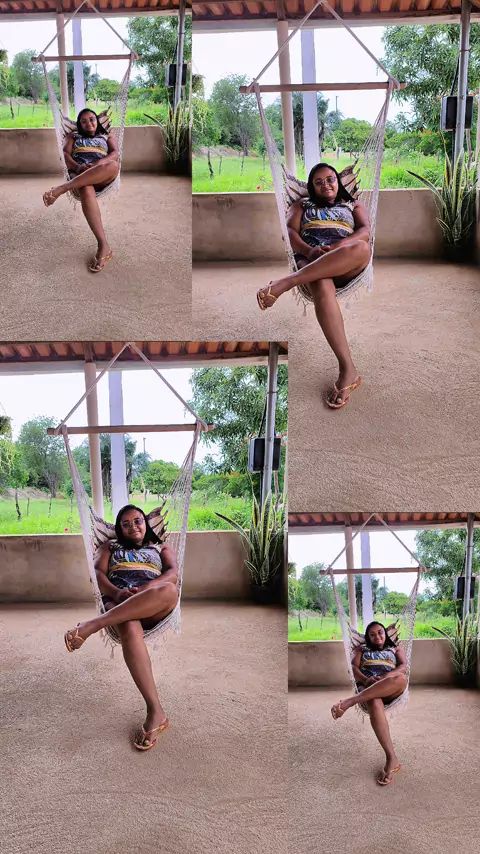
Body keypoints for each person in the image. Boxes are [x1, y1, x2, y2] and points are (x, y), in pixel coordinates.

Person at [64, 504, 179, 751]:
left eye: (137, 521)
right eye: (125, 524)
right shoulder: (109, 546)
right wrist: (117, 593)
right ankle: (156, 712)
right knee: (128, 625)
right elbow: (97, 574)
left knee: (170, 590)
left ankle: (92, 626)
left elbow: (172, 574)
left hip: (153, 602)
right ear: (119, 529)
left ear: (146, 523)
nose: (133, 527)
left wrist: (146, 589)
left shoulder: (160, 547)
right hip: (118, 602)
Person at [257, 163, 371, 408]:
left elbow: (365, 232)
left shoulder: (353, 205)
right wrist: (310, 251)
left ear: (338, 181)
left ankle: (285, 283)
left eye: (330, 179)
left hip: (346, 261)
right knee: (320, 282)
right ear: (311, 187)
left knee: (362, 248)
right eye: (318, 182)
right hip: (310, 261)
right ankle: (347, 369)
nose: (325, 185)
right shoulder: (301, 205)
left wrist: (337, 247)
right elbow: (289, 232)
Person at [330, 621, 407, 786]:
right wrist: (366, 680)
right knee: (373, 700)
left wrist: (385, 678)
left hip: (390, 687)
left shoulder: (395, 649)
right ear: (368, 638)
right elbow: (353, 667)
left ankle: (350, 702)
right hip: (368, 687)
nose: (377, 636)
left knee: (401, 678)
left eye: (380, 632)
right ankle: (392, 759)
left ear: (385, 633)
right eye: (372, 634)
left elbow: (403, 666)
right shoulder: (361, 649)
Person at [43, 108, 119, 273]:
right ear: (79, 125)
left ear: (97, 120)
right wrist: (78, 167)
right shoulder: (73, 136)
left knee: (113, 165)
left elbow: (114, 154)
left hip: (102, 174)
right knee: (85, 187)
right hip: (79, 174)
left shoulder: (107, 136)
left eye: (91, 119)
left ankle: (62, 189)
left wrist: (97, 164)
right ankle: (103, 245)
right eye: (83, 121)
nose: (88, 123)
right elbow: (65, 154)